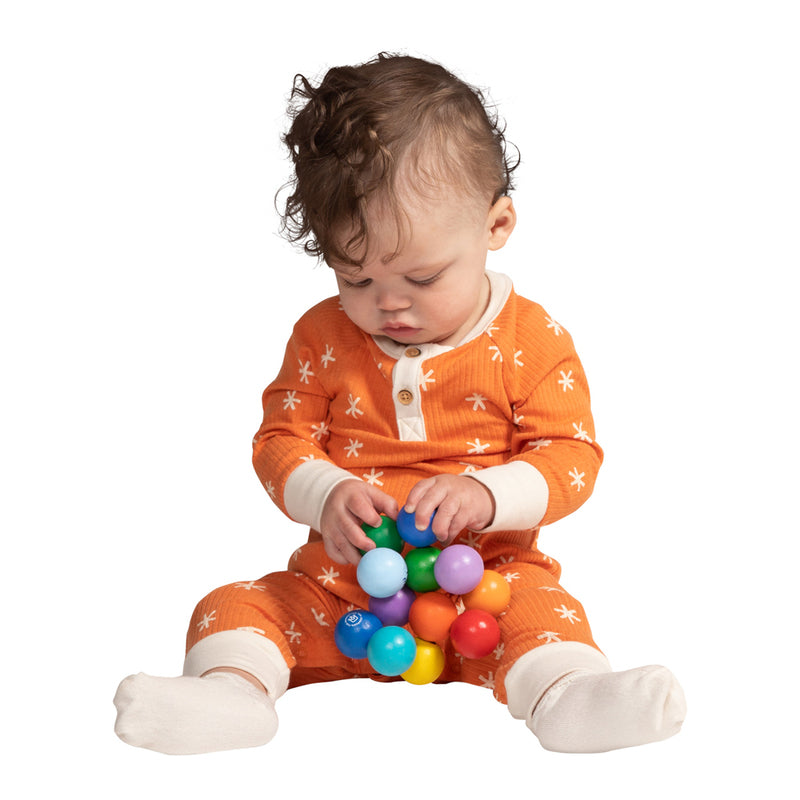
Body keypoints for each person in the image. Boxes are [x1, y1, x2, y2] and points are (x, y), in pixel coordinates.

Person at [113, 53, 686, 755]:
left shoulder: (531, 339)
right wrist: (326, 492)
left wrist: (488, 495)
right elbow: (279, 440)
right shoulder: (324, 336)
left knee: (548, 617)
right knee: (232, 606)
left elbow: (572, 458)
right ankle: (232, 695)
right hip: (344, 596)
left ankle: (570, 698)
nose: (389, 304)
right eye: (355, 278)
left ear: (496, 224)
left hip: (485, 593)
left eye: (423, 276)